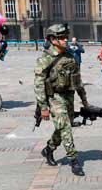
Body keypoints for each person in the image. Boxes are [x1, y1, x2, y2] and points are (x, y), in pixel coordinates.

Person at [34, 23, 91, 177]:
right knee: (65, 126)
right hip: (54, 97)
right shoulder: (46, 58)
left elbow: (78, 81)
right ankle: (74, 160)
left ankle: (49, 149)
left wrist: (85, 102)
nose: (65, 40)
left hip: (69, 95)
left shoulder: (70, 57)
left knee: (63, 127)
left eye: (66, 37)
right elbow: (38, 84)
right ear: (53, 40)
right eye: (62, 38)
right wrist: (43, 106)